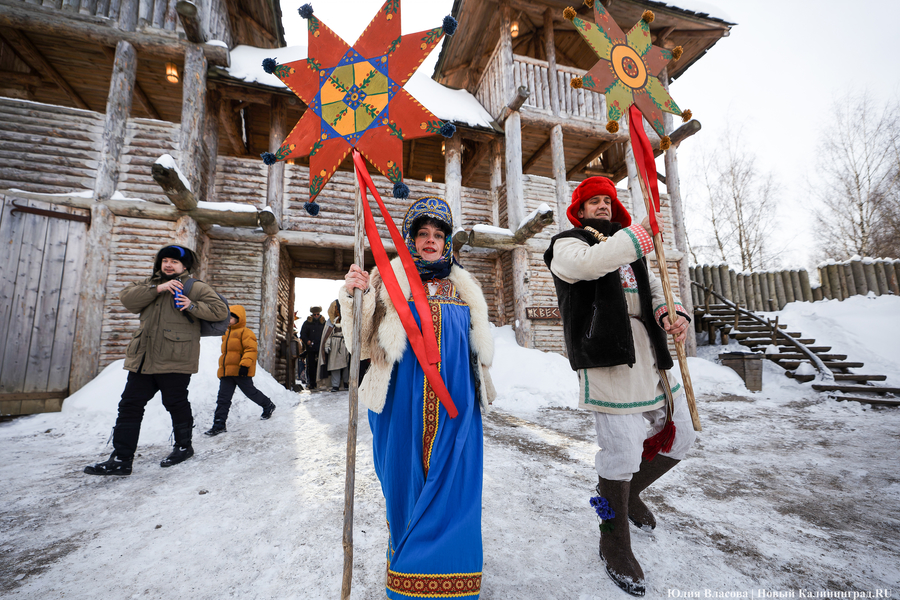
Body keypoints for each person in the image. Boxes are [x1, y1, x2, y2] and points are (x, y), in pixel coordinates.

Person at [543, 177, 696, 596]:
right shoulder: (567, 244)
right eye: (594, 202)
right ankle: (612, 538)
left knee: (681, 436)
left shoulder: (633, 252)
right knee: (622, 452)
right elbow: (592, 265)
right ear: (579, 209)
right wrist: (641, 234)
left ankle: (626, 495)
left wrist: (671, 315)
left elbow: (655, 293)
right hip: (606, 357)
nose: (603, 207)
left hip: (652, 356)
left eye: (608, 201)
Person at [342, 196, 495, 599]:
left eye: (438, 235)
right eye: (422, 234)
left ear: (447, 242)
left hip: (457, 408)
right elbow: (357, 342)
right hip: (400, 405)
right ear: (410, 239)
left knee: (456, 491)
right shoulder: (386, 280)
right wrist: (354, 296)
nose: (430, 241)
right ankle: (409, 578)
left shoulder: (465, 287)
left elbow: (476, 349)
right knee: (406, 487)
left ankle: (452, 580)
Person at [84, 245, 228, 476]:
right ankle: (121, 458)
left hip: (175, 358)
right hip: (144, 358)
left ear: (184, 266)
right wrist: (159, 288)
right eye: (165, 260)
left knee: (175, 403)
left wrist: (192, 305)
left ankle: (183, 446)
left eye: (174, 262)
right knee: (130, 405)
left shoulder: (195, 287)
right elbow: (128, 300)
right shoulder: (149, 285)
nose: (169, 265)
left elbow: (221, 311)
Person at [203, 305, 276, 436]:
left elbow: (251, 350)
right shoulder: (226, 333)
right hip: (227, 373)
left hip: (241, 371)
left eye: (232, 317)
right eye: (228, 317)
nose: (229, 319)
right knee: (223, 398)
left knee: (251, 393)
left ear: (239, 319)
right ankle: (219, 424)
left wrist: (244, 365)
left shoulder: (246, 332)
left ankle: (268, 405)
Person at [318, 299, 350, 392]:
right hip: (334, 346)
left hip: (344, 344)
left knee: (346, 366)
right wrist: (327, 346)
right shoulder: (330, 322)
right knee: (334, 366)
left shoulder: (347, 320)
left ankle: (346, 383)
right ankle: (335, 385)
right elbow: (327, 336)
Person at [299, 306, 326, 390]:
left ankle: (320, 383)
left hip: (321, 348)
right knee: (311, 366)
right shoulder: (307, 323)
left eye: (318, 314)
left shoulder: (324, 323)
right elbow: (303, 334)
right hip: (310, 348)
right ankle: (312, 383)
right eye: (315, 314)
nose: (316, 316)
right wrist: (307, 341)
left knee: (321, 366)